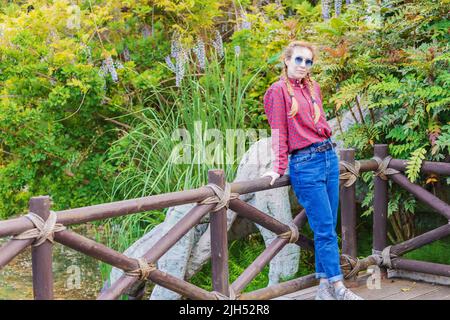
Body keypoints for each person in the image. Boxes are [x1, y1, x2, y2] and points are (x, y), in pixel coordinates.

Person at [261, 40, 363, 300]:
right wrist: (278, 167)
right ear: (286, 60)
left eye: (308, 62)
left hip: (329, 157)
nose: (303, 66)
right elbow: (279, 132)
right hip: (305, 165)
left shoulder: (312, 87)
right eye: (298, 60)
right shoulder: (277, 92)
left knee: (326, 228)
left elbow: (319, 122)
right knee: (325, 228)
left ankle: (323, 290)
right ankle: (339, 288)